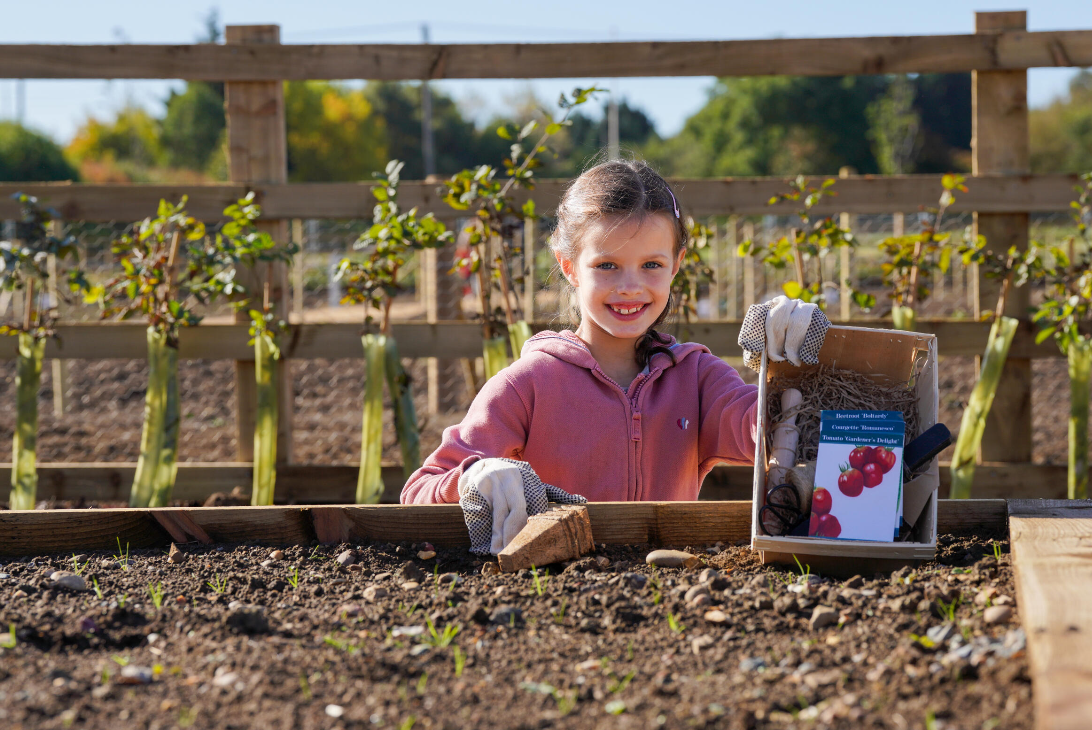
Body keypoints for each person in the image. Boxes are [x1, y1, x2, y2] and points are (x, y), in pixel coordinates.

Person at [401, 160, 818, 552]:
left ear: (676, 265)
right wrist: (472, 480)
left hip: (671, 591)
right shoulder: (527, 384)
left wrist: (788, 364)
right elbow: (418, 493)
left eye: (651, 264)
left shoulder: (697, 378)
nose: (630, 287)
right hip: (556, 595)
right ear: (569, 267)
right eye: (606, 265)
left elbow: (766, 426)